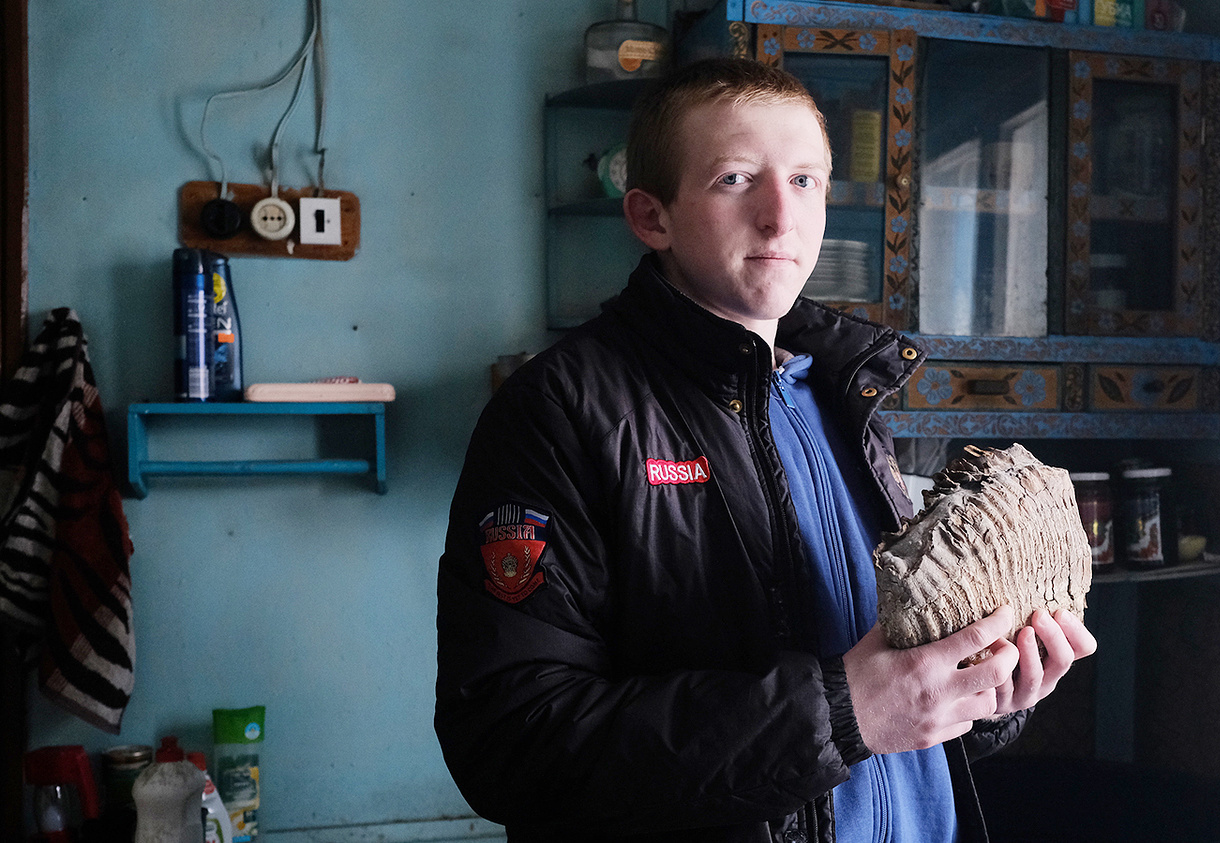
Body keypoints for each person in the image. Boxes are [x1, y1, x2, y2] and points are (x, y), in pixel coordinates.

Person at [435, 57, 1096, 843]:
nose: (781, 218)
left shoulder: (848, 400)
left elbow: (899, 700)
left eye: (807, 180)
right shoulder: (559, 412)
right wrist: (847, 712)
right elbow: (512, 740)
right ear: (652, 217)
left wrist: (989, 694)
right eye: (735, 180)